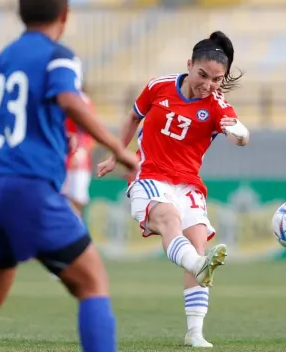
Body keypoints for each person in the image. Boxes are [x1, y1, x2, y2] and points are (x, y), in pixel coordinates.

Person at [0, 1, 138, 352]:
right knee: (92, 283)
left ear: (21, 15)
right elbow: (68, 99)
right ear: (64, 16)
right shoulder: (59, 55)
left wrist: (39, 134)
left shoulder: (3, 59)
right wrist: (119, 149)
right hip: (26, 186)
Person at [97, 31, 250, 348]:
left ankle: (195, 333)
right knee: (169, 221)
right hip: (149, 173)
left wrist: (239, 134)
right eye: (202, 75)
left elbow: (236, 134)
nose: (207, 84)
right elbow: (132, 117)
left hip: (189, 184)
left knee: (196, 244)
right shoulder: (158, 86)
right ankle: (198, 265)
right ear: (190, 65)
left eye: (216, 79)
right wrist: (116, 156)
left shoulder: (218, 106)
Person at [62, 90, 96, 215]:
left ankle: (73, 232)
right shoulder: (57, 95)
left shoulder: (83, 101)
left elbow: (89, 132)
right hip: (60, 159)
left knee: (75, 201)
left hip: (77, 162)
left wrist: (80, 154)